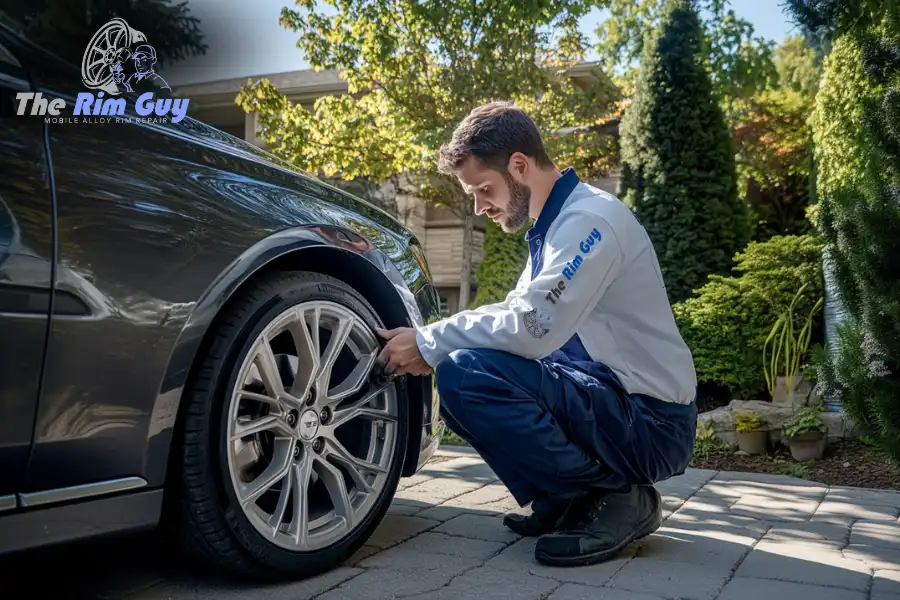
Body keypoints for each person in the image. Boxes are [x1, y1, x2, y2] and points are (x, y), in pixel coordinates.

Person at [375, 101, 698, 568]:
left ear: (519, 166)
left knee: (466, 374)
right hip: (611, 399)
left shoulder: (590, 220)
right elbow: (516, 315)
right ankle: (568, 501)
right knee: (461, 372)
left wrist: (429, 340)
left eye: (483, 189)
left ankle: (615, 497)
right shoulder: (554, 226)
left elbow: (532, 326)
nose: (480, 206)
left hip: (651, 421)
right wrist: (436, 344)